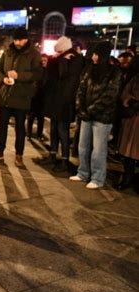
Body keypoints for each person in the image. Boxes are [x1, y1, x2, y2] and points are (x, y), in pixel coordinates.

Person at [69, 42, 122, 189]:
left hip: (102, 117)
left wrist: (90, 110)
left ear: (101, 55)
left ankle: (98, 178)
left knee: (98, 149)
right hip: (86, 115)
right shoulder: (89, 70)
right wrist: (80, 108)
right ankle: (83, 172)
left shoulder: (114, 72)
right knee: (83, 146)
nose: (93, 57)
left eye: (95, 54)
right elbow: (81, 89)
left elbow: (110, 95)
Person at [0, 27, 42, 167]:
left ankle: (19, 155)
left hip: (22, 95)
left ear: (26, 39)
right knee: (2, 126)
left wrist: (19, 76)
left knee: (20, 128)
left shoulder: (33, 54)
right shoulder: (8, 51)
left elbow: (37, 74)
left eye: (21, 40)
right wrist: (3, 78)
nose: (18, 42)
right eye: (16, 39)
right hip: (6, 95)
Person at [38, 36, 84, 173]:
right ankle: (52, 154)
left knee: (62, 131)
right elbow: (50, 76)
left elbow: (65, 76)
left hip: (64, 102)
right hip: (55, 101)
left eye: (58, 52)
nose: (56, 54)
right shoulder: (60, 58)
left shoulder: (75, 59)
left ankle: (64, 159)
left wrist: (62, 61)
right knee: (53, 129)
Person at [115, 73, 139, 192]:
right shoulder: (135, 78)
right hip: (132, 118)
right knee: (128, 152)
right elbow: (125, 93)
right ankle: (127, 178)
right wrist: (130, 101)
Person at [27, 53, 48, 141]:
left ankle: (39, 134)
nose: (43, 62)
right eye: (42, 60)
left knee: (41, 117)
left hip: (43, 97)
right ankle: (29, 133)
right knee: (31, 115)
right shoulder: (37, 70)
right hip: (35, 96)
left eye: (45, 60)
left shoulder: (48, 71)